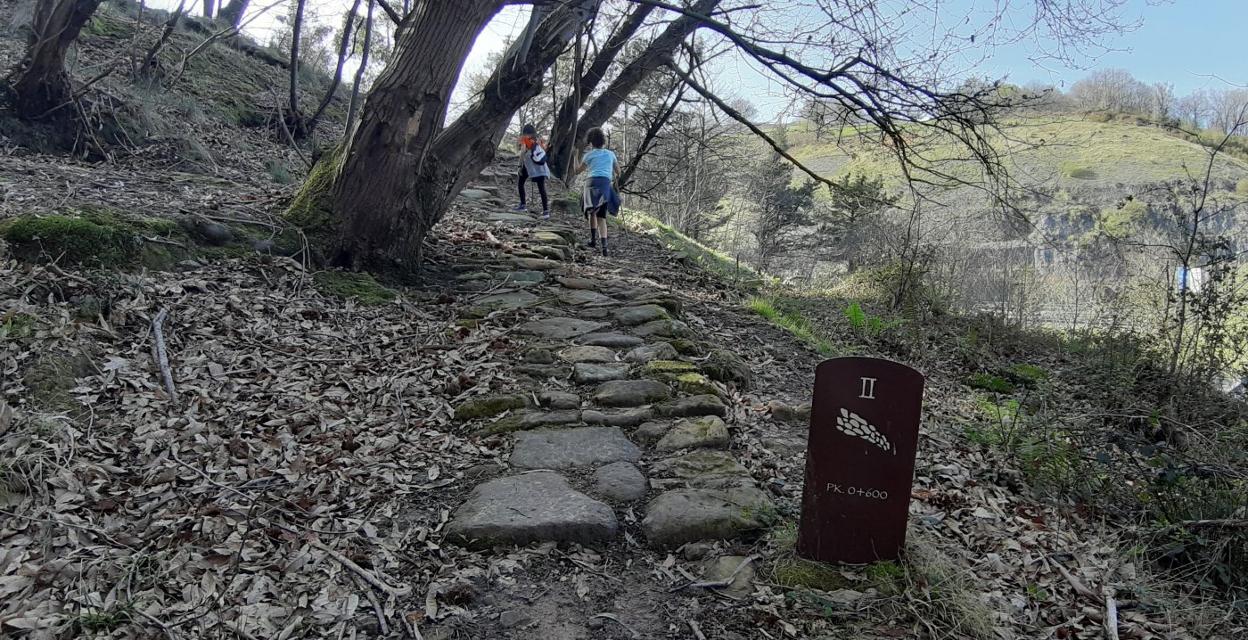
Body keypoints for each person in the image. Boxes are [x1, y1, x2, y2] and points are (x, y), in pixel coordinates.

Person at [577, 127, 620, 256]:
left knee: (592, 212)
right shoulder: (610, 154)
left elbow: (577, 170)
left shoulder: (588, 155)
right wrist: (613, 176)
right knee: (602, 216)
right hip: (605, 184)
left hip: (591, 183)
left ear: (590, 142)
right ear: (603, 141)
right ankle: (604, 248)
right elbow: (619, 172)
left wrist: (574, 156)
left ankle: (592, 240)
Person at [515, 124, 550, 219]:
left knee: (520, 183)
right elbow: (544, 151)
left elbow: (522, 152)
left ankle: (523, 205)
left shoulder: (525, 140)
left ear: (525, 133)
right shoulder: (539, 140)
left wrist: (519, 165)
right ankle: (546, 212)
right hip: (541, 167)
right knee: (541, 188)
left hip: (529, 166)